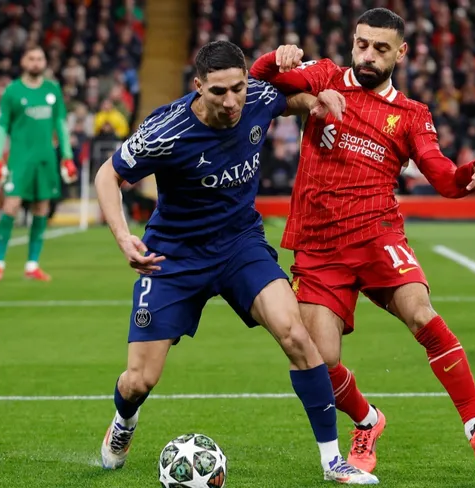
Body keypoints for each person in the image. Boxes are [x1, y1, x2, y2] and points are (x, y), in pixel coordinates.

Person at [94, 40, 378, 485]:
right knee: (139, 381)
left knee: (296, 334)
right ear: (198, 86)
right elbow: (107, 174)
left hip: (240, 246)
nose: (231, 102)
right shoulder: (166, 130)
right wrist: (122, 237)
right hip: (174, 255)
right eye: (219, 92)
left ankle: (332, 461)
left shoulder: (257, 98)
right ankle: (123, 422)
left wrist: (314, 102)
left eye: (238, 88)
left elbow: (290, 99)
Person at [249, 8, 475, 473]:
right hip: (319, 246)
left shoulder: (412, 114)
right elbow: (258, 79)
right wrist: (277, 57)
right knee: (317, 361)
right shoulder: (325, 76)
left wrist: (460, 179)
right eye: (363, 44)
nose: (369, 55)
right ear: (354, 41)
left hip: (377, 234)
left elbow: (438, 172)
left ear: (401, 53)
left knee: (421, 313)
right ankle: (367, 420)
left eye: (381, 48)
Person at [0, 46, 79, 282]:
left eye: (40, 58)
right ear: (23, 62)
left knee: (42, 209)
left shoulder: (52, 89)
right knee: (11, 206)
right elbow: (1, 125)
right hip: (20, 160)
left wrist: (67, 156)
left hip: (46, 159)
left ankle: (32, 265)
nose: (36, 62)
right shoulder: (12, 91)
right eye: (32, 58)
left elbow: (60, 123)